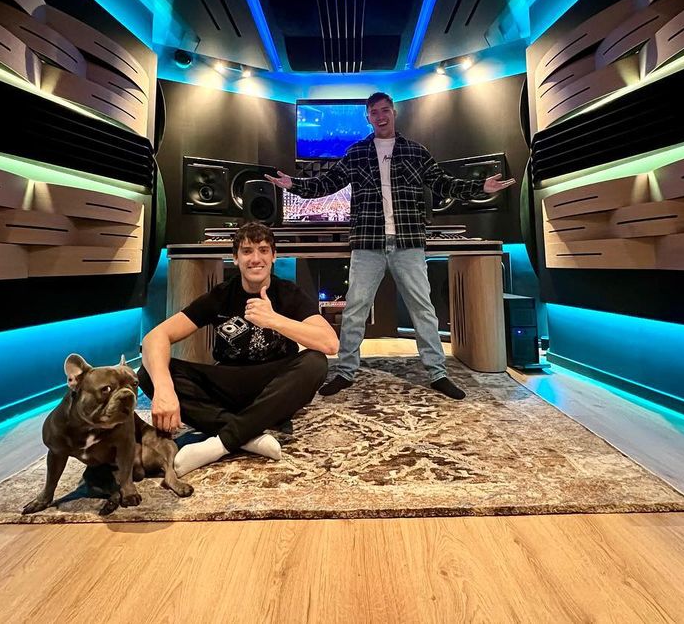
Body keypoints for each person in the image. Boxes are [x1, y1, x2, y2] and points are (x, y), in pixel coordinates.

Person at [265, 92, 515, 400]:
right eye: (374, 112)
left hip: (408, 242)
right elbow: (326, 184)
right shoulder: (356, 153)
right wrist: (293, 185)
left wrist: (480, 187)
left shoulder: (416, 151)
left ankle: (437, 373)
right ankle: (345, 371)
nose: (380, 116)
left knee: (422, 309)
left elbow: (444, 183)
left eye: (385, 110)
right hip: (367, 242)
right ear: (368, 117)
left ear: (394, 112)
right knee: (355, 309)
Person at [139, 222, 338, 477]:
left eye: (263, 250)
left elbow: (330, 343)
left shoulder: (288, 293)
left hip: (272, 387)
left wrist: (273, 320)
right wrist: (164, 388)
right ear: (235, 258)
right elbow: (156, 337)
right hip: (228, 382)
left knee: (315, 362)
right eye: (247, 251)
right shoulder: (221, 295)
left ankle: (220, 443)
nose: (255, 259)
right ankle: (248, 435)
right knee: (148, 372)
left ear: (274, 256)